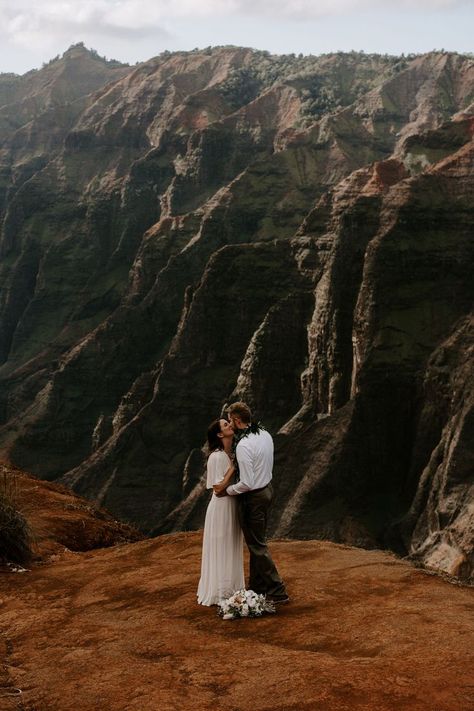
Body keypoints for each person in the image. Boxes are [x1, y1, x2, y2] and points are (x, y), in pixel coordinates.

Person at [214, 402, 289, 604]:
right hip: (267, 490)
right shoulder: (264, 433)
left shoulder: (244, 446)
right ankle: (258, 586)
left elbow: (246, 483)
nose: (229, 424)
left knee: (256, 545)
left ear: (237, 420)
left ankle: (277, 590)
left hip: (253, 497)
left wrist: (226, 491)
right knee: (258, 539)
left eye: (230, 420)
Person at [197, 418, 245, 606]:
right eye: (226, 425)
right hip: (221, 506)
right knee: (223, 545)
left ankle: (230, 587)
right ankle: (220, 590)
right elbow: (217, 488)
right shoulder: (217, 457)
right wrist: (233, 468)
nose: (230, 425)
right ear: (219, 434)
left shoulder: (228, 454)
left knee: (231, 544)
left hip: (230, 504)